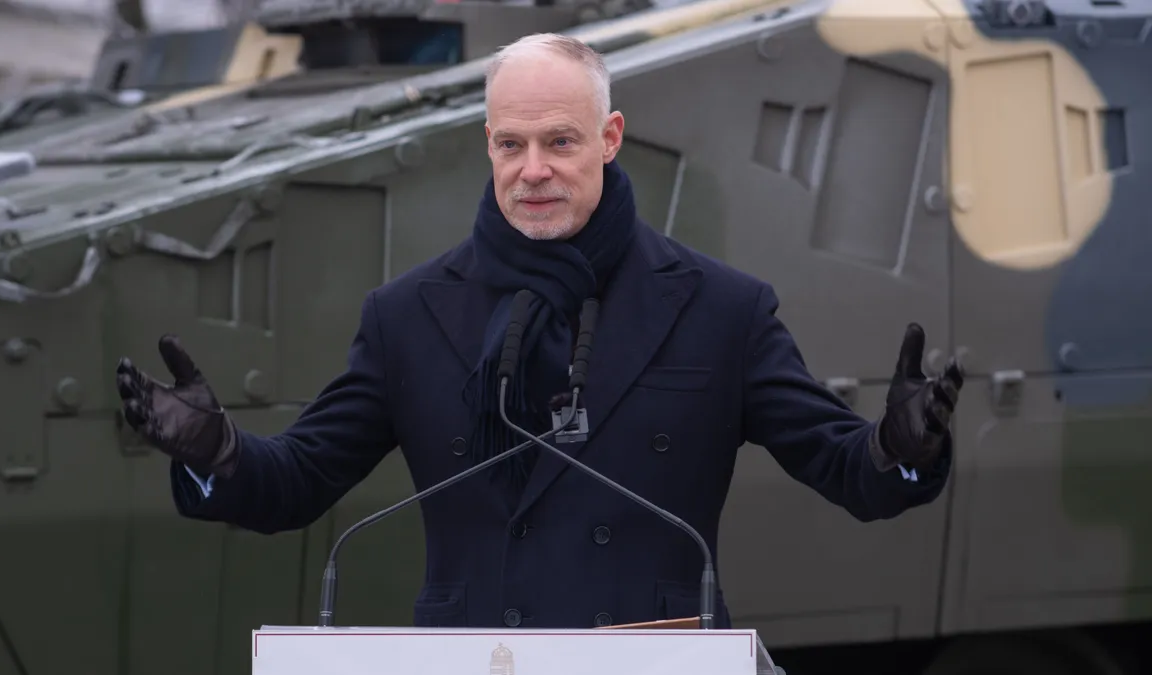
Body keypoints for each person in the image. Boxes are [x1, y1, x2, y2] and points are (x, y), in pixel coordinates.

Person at [115, 32, 965, 630]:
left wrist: (900, 447)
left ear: (610, 138)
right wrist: (216, 452)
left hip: (652, 659)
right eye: (511, 145)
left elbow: (846, 469)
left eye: (560, 142)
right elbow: (298, 482)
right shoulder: (408, 315)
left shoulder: (722, 308)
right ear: (487, 145)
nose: (533, 171)